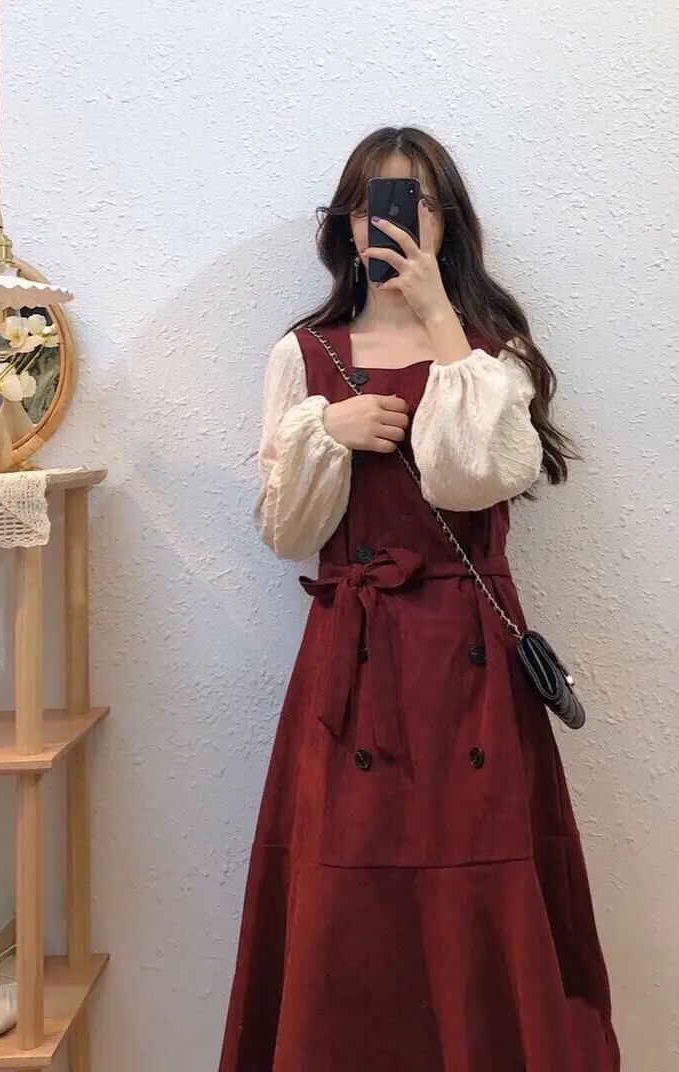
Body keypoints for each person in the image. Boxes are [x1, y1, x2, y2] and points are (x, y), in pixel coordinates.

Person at [218, 126, 621, 1072]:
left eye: (413, 203)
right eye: (370, 203)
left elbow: (474, 478)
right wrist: (329, 428)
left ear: (446, 222)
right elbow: (284, 532)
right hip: (351, 663)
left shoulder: (489, 354)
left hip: (469, 665)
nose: (389, 222)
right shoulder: (305, 355)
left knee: (480, 883)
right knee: (344, 891)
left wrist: (440, 320)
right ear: (345, 223)